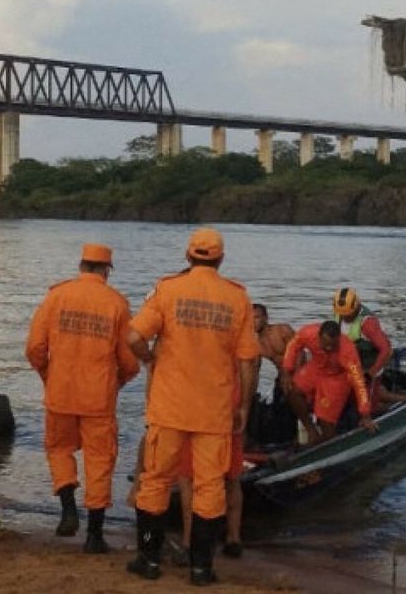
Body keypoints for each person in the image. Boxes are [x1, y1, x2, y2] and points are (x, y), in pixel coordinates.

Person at [126, 228, 259, 586]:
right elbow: (248, 360)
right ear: (220, 259)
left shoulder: (167, 290)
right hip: (214, 412)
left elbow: (133, 336)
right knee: (210, 487)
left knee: (154, 482)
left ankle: (148, 559)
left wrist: (150, 358)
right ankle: (202, 568)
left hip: (169, 408)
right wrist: (243, 407)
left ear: (188, 257)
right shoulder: (237, 298)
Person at [26, 243, 139, 553]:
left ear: (81, 266)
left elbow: (34, 348)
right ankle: (94, 536)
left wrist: (49, 376)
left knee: (59, 449)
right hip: (98, 399)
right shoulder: (117, 303)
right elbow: (129, 361)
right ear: (106, 270)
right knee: (99, 461)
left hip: (60, 393)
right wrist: (118, 381)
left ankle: (68, 509)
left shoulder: (56, 296)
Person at [281, 320, 376, 445]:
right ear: (319, 336)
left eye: (332, 346)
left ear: (338, 340)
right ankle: (311, 430)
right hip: (316, 368)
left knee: (325, 420)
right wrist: (287, 371)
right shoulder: (308, 332)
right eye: (325, 345)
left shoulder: (348, 351)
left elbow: (359, 382)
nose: (328, 348)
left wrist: (365, 414)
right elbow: (293, 345)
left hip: (337, 377)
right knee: (292, 389)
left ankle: (329, 444)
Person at [332, 288, 392, 380]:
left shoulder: (368, 323)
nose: (344, 317)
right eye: (341, 314)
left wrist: (371, 372)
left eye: (347, 314)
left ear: (356, 306)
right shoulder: (339, 312)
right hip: (347, 365)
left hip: (367, 367)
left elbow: (386, 349)